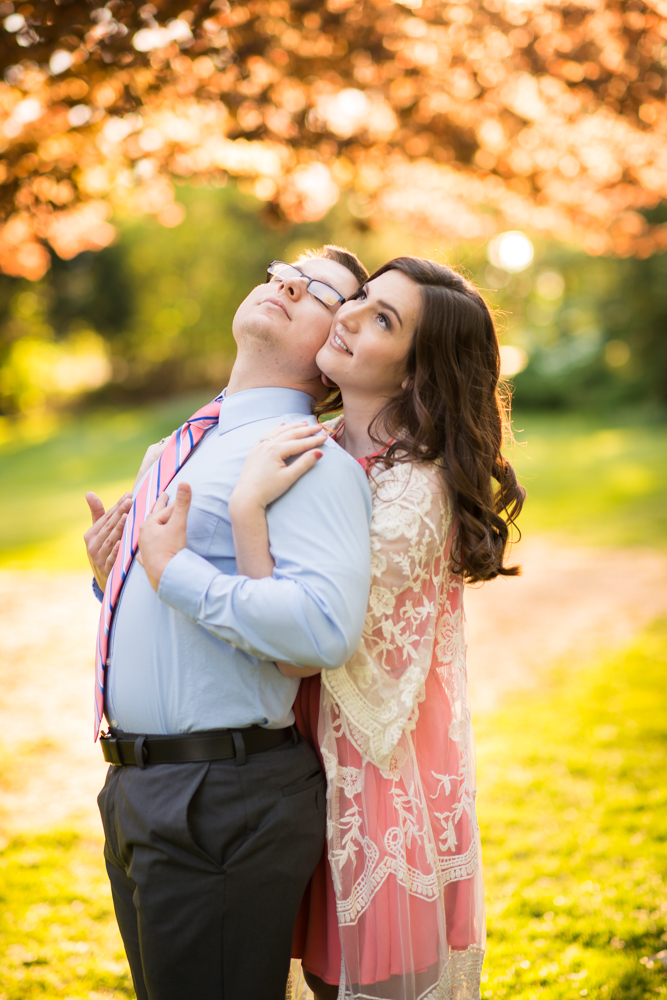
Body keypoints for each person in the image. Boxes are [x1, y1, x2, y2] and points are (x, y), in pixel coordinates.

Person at [216, 257, 526, 999]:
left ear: (418, 374)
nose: (349, 317)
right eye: (358, 300)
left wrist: (246, 516)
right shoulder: (313, 442)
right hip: (280, 766)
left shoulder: (413, 489)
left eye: (382, 319)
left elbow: (307, 640)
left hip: (364, 789)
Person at [83, 246, 374, 1000]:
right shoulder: (178, 447)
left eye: (315, 291)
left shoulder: (306, 459)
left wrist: (170, 573)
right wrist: (110, 580)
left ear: (334, 352)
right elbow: (179, 600)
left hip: (220, 795)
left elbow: (320, 633)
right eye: (285, 269)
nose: (284, 283)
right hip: (139, 788)